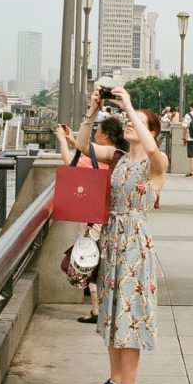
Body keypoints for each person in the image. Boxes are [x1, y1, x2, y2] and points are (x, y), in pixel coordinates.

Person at [76, 86, 167, 384]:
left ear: (151, 131)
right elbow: (80, 145)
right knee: (114, 312)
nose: (128, 124)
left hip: (134, 244)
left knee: (130, 315)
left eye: (136, 122)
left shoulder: (156, 164)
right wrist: (93, 109)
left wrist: (128, 104)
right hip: (113, 239)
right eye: (128, 120)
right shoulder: (118, 156)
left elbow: (154, 150)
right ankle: (115, 381)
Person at [55, 117, 128, 324]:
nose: (95, 134)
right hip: (109, 215)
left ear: (104, 135)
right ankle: (105, 308)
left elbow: (70, 162)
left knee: (90, 261)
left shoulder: (100, 158)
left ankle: (97, 310)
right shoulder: (118, 157)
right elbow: (85, 149)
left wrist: (62, 140)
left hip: (93, 218)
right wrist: (71, 139)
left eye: (97, 131)